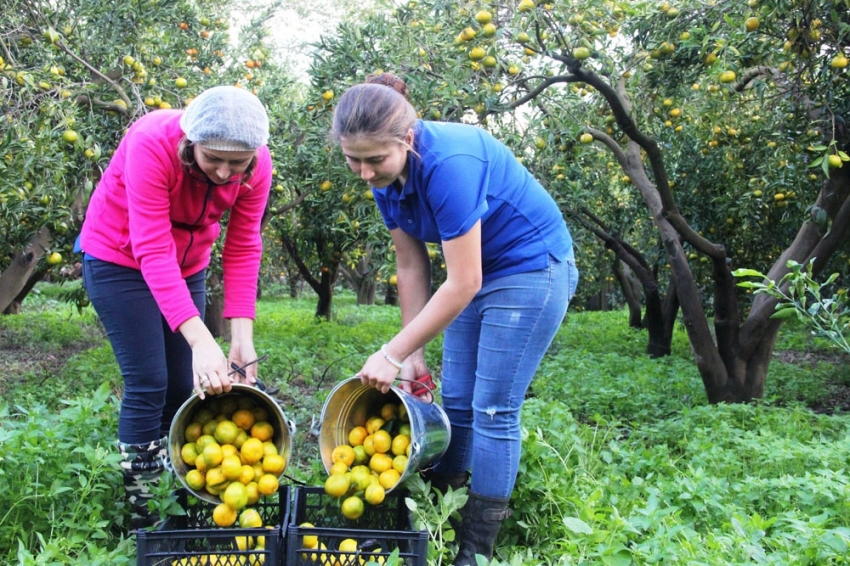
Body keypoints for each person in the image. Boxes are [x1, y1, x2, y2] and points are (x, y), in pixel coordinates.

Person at [331, 73, 579, 565]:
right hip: (474, 274)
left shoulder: (450, 163)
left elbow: (463, 281)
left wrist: (391, 352)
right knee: (457, 402)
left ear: (406, 139)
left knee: (492, 409)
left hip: (530, 269)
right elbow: (411, 263)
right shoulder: (384, 179)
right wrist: (412, 353)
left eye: (374, 159)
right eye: (352, 159)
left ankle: (475, 549)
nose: (363, 172)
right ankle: (440, 513)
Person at [78, 86, 272, 531]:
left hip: (188, 264)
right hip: (119, 258)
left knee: (183, 386)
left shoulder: (257, 166)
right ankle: (143, 515)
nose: (225, 173)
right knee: (149, 381)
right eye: (213, 159)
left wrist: (241, 339)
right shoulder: (151, 142)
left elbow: (243, 244)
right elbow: (150, 245)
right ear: (191, 142)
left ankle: (176, 498)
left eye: (236, 163)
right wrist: (202, 339)